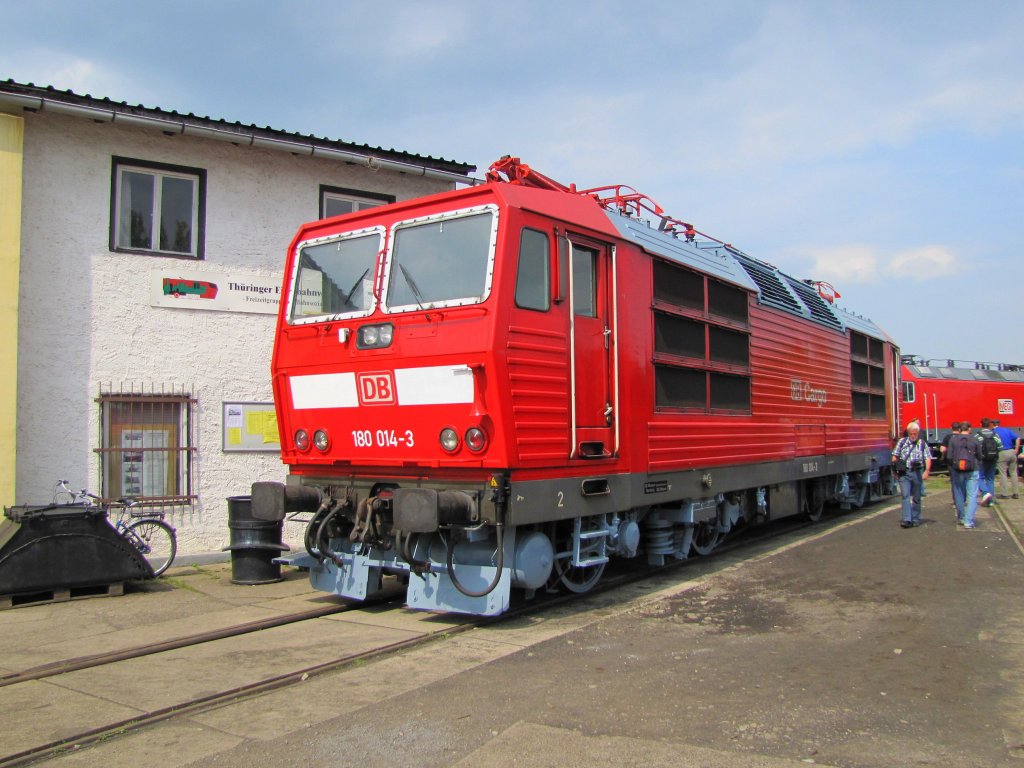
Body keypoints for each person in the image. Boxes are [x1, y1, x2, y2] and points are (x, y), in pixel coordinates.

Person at [891, 421, 932, 528]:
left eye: (915, 434)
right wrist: (895, 471)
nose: (913, 436)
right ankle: (907, 519)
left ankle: (915, 518)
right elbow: (895, 456)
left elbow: (927, 457)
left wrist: (926, 471)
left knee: (917, 497)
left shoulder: (922, 444)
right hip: (905, 473)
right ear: (908, 433)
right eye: (911, 434)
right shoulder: (902, 442)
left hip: (917, 472)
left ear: (918, 433)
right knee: (905, 495)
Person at [948, 421, 982, 528]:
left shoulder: (953, 440)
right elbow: (980, 455)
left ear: (959, 430)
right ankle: (968, 521)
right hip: (973, 469)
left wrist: (953, 465)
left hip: (957, 470)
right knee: (972, 496)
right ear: (969, 429)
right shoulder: (975, 439)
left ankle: (961, 518)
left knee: (959, 494)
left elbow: (949, 456)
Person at [975, 418, 1002, 506]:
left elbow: (975, 448)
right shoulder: (995, 435)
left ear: (980, 424)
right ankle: (990, 501)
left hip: (982, 460)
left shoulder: (977, 436)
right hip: (993, 459)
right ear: (990, 425)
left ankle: (985, 493)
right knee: (990, 479)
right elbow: (1000, 447)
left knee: (980, 478)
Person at [992, 418, 1020, 499]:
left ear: (992, 424)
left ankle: (1004, 494)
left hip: (1002, 453)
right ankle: (1016, 493)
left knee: (1003, 473)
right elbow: (1017, 438)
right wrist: (1016, 449)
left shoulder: (994, 432)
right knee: (1014, 473)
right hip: (1012, 452)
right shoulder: (1007, 430)